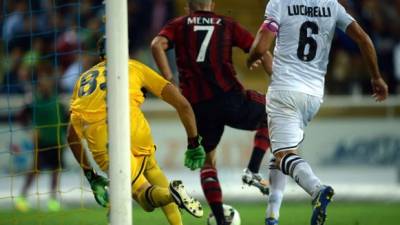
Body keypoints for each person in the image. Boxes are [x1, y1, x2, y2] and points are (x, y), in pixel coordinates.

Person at [247, 1, 389, 225]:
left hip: (285, 90)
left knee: (284, 154)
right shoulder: (332, 6)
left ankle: (317, 189)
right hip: (313, 95)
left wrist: (250, 57)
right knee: (283, 151)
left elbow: (261, 45)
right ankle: (272, 216)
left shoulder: (280, 3)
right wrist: (376, 77)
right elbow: (364, 39)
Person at [151, 0, 272, 224]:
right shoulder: (226, 24)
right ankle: (253, 169)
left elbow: (156, 45)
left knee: (208, 163)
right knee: (274, 114)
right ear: (213, 5)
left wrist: (169, 81)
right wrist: (258, 62)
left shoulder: (179, 24)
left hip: (197, 106)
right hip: (230, 97)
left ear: (188, 8)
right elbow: (260, 49)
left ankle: (219, 219)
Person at [67, 37, 204, 225]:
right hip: (134, 127)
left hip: (105, 141)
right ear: (124, 52)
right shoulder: (134, 67)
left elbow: (71, 136)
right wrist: (194, 142)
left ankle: (172, 194)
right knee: (151, 168)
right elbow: (184, 106)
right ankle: (176, 211)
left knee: (144, 197)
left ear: (100, 56)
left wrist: (90, 175)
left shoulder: (82, 80)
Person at [15, 73, 68, 212]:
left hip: (56, 141)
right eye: (42, 82)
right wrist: (29, 131)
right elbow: (20, 117)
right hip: (41, 142)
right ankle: (22, 197)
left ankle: (52, 200)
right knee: (35, 170)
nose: (45, 85)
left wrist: (66, 138)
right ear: (39, 85)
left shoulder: (58, 101)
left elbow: (66, 120)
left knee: (55, 172)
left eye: (47, 82)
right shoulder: (33, 101)